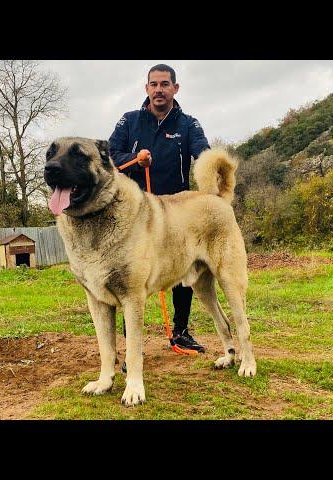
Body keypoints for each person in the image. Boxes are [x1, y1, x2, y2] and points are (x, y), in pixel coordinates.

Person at [108, 63, 210, 353]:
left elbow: (204, 157)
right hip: (135, 213)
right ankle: (132, 345)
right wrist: (134, 158)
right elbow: (110, 157)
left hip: (176, 211)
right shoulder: (129, 121)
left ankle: (180, 332)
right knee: (131, 275)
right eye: (154, 84)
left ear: (175, 89)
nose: (159, 90)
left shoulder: (189, 124)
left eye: (165, 84)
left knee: (182, 268)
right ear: (146, 89)